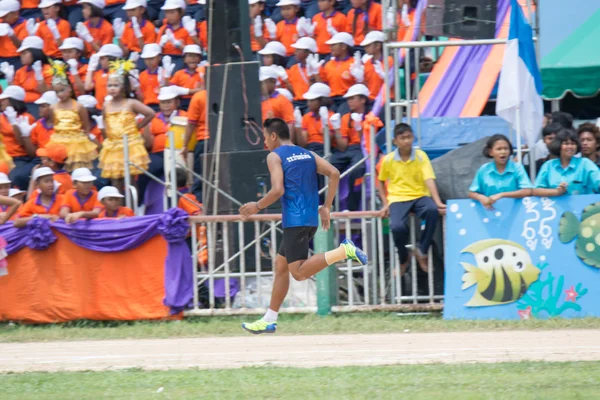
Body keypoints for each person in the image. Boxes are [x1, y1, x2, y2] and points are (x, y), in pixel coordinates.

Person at [240, 118, 367, 334]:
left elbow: (278, 190)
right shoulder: (307, 153)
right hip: (309, 219)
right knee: (281, 266)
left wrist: (257, 206)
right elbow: (334, 173)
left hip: (295, 221)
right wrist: (326, 206)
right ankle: (270, 319)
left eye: (264, 137)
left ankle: (343, 251)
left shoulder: (274, 156)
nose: (264, 142)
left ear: (273, 136)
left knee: (298, 273)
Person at [377, 123, 445, 273]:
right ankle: (403, 258)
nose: (406, 141)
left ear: (413, 137)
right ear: (395, 141)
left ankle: (421, 250)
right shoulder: (388, 160)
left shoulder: (421, 156)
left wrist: (438, 201)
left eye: (409, 137)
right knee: (396, 227)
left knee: (432, 210)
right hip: (398, 198)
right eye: (402, 138)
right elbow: (380, 181)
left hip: (420, 195)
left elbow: (429, 179)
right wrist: (385, 203)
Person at [98, 59, 154, 187]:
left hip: (130, 144)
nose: (112, 88)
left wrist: (138, 126)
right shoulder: (106, 104)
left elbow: (150, 113)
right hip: (113, 146)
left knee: (130, 180)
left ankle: (132, 206)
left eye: (115, 85)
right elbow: (106, 121)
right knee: (116, 180)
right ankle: (119, 206)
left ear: (123, 87)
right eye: (109, 85)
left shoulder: (130, 103)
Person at [45, 61, 98, 171]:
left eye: (62, 90)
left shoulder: (78, 106)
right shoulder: (53, 107)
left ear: (69, 88)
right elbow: (55, 124)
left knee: (77, 170)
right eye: (57, 92)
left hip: (76, 143)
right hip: (59, 141)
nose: (60, 94)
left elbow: (86, 127)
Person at [329, 84, 369, 211]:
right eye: (348, 99)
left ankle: (352, 208)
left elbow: (366, 141)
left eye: (353, 98)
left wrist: (359, 129)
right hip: (348, 150)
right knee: (327, 168)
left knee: (357, 169)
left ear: (363, 99)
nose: (349, 101)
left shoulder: (370, 116)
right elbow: (342, 146)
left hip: (362, 148)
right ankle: (330, 205)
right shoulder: (346, 118)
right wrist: (336, 129)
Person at [468, 134, 533, 208]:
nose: (503, 152)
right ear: (490, 152)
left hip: (515, 211)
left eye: (506, 148)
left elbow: (528, 191)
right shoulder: (484, 169)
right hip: (489, 211)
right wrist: (481, 198)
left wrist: (502, 195)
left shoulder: (517, 167)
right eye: (499, 149)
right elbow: (472, 193)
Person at [534, 129, 600, 197]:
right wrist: (557, 192)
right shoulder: (548, 165)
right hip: (554, 206)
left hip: (583, 206)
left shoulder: (585, 163)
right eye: (566, 144)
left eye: (573, 144)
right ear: (559, 146)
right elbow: (536, 190)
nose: (570, 147)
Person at [1, 86, 37, 190]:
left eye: (5, 99)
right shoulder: (2, 117)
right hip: (4, 156)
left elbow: (22, 142)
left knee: (12, 177)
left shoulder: (26, 117)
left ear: (13, 101)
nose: (1, 102)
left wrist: (14, 123)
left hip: (19, 157)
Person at [316, 32, 363, 111]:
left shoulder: (354, 63)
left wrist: (359, 79)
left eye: (334, 45)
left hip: (347, 99)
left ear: (344, 46)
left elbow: (361, 87)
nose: (331, 48)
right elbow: (324, 84)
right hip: (331, 100)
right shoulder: (328, 65)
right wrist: (315, 73)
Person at [181, 87, 208, 200]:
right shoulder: (227, 93)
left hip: (204, 141)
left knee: (200, 177)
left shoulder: (199, 96)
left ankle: (199, 206)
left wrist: (185, 145)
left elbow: (191, 123)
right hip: (226, 142)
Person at [260, 66, 296, 141]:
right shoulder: (257, 101)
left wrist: (286, 147)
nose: (260, 85)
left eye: (263, 83)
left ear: (273, 81)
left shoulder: (282, 100)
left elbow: (290, 124)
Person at [85, 44, 124, 109]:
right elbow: (87, 87)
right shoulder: (99, 73)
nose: (100, 61)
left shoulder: (118, 73)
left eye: (103, 58)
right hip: (99, 109)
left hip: (115, 109)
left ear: (112, 59)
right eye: (100, 59)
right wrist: (90, 69)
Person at [168, 44, 205, 109]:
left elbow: (203, 90)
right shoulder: (179, 74)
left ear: (200, 59)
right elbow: (172, 89)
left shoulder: (202, 73)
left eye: (195, 56)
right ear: (184, 59)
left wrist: (182, 91)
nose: (192, 58)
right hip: (182, 102)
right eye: (189, 56)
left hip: (199, 101)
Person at [0, 0, 29, 70]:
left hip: (16, 59)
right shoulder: (1, 22)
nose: (3, 18)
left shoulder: (24, 25)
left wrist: (11, 34)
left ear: (15, 13)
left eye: (5, 16)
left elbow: (22, 46)